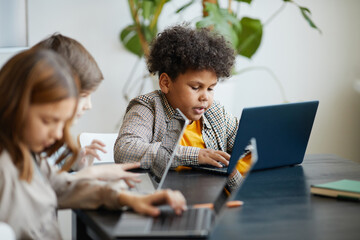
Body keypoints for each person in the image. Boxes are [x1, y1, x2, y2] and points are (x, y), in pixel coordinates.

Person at [0, 48, 186, 239]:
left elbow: (62, 186)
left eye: (63, 123)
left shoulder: (27, 154)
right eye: (48, 121)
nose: (57, 134)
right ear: (14, 106)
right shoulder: (5, 171)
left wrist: (128, 198)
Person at [114, 24, 248, 189]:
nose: (205, 97)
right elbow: (125, 150)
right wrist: (194, 155)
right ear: (166, 83)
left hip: (214, 205)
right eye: (195, 87)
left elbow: (247, 148)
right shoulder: (149, 108)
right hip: (169, 204)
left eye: (210, 88)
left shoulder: (216, 113)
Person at [33, 33, 107, 171]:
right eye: (83, 95)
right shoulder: (36, 139)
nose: (89, 106)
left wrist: (76, 164)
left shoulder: (57, 137)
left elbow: (56, 170)